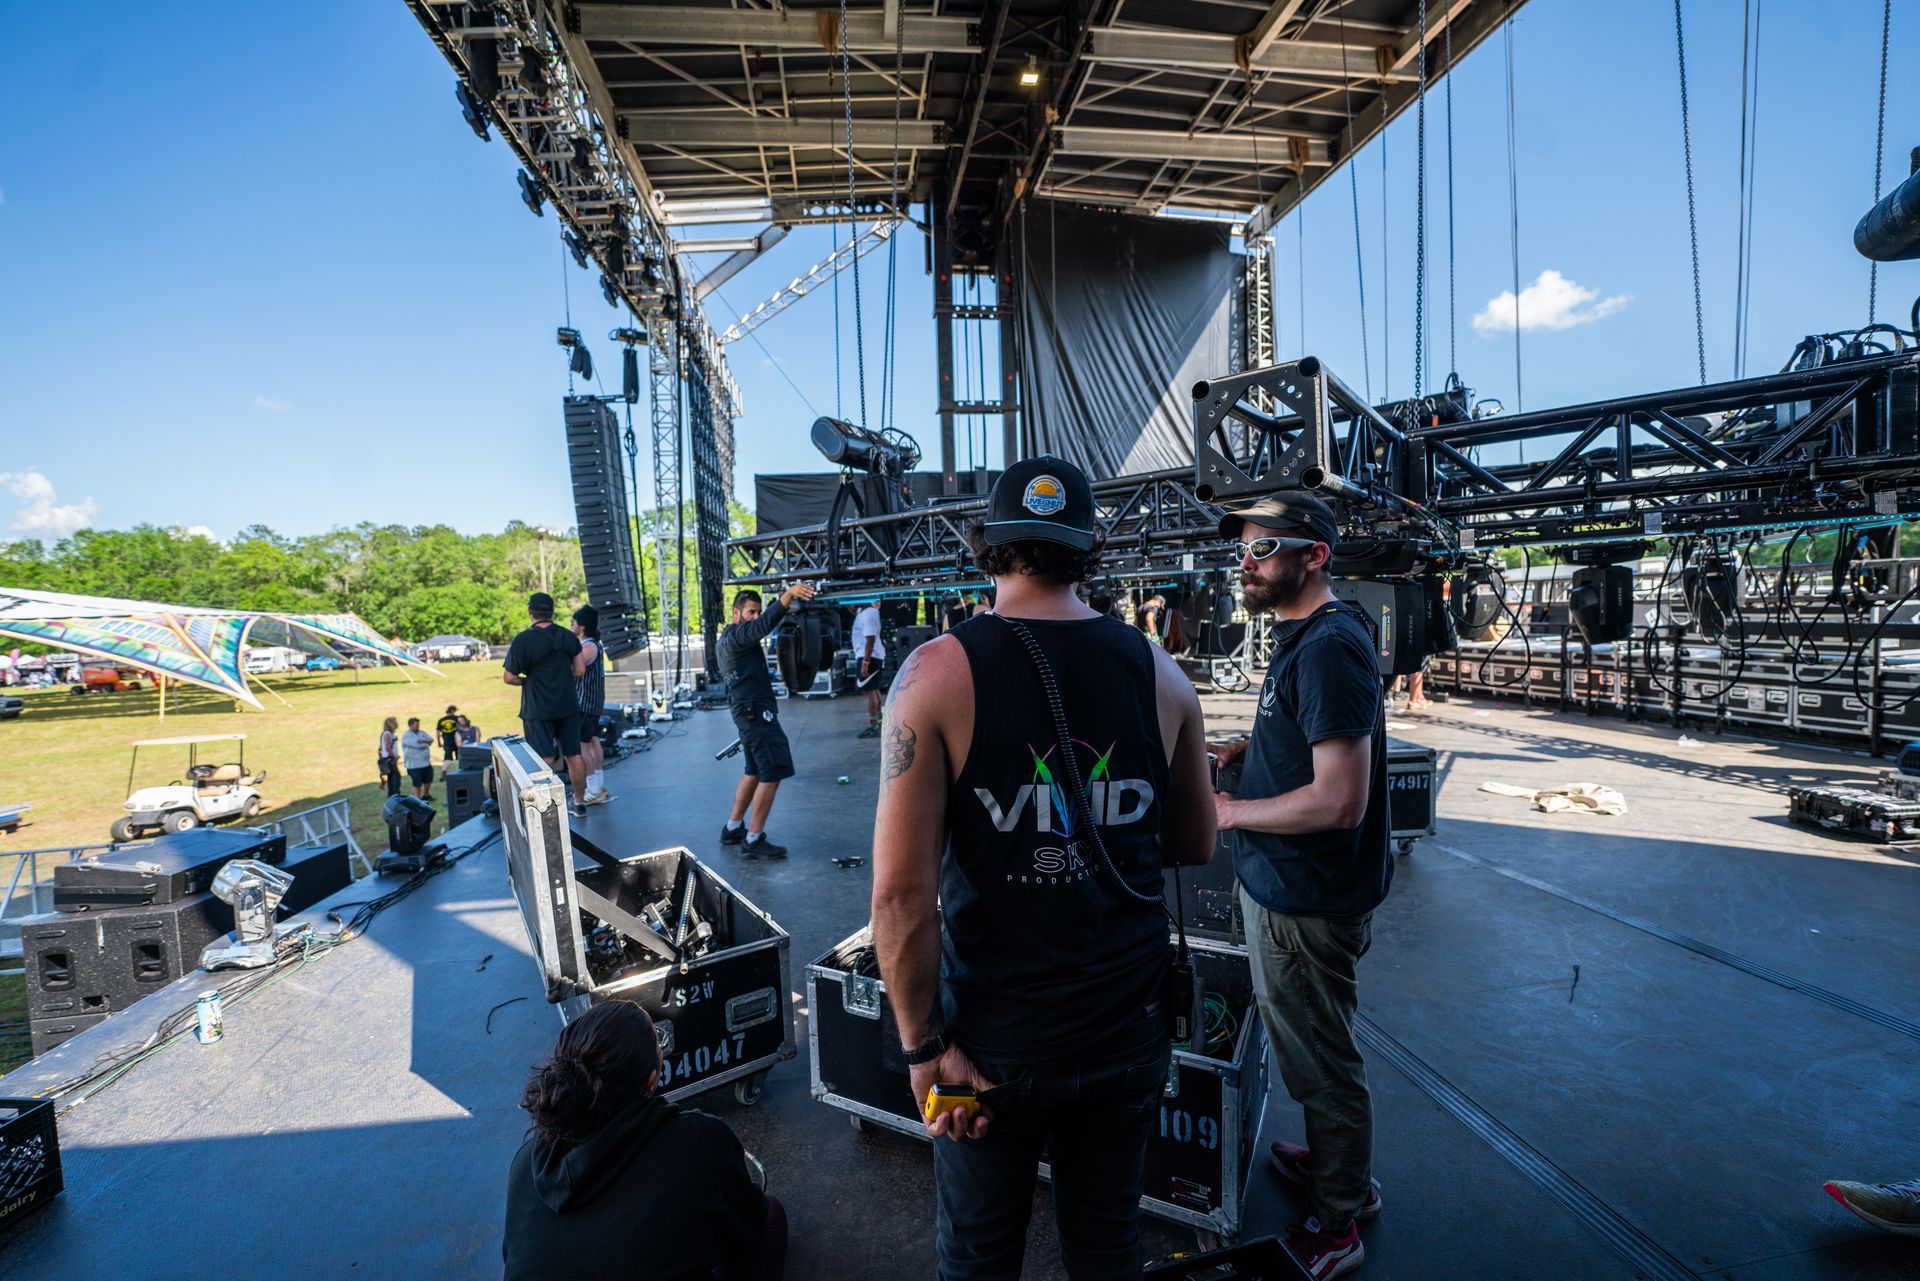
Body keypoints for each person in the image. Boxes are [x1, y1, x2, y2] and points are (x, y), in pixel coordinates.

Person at [869, 456, 1216, 1281]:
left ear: (985, 542)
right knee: (1107, 1243)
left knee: (981, 1255)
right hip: (1128, 1028)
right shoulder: (1163, 674)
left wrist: (924, 1052)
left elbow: (900, 896)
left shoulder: (934, 673)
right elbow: (1197, 842)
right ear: (1092, 545)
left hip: (988, 1049)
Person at [1211, 491, 1391, 1280]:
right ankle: (1333, 1162)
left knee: (1320, 1058)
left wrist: (1230, 809)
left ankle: (1339, 1217)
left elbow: (1339, 798)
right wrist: (1255, 746)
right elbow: (1315, 738)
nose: (1243, 564)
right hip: (1290, 887)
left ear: (1313, 555)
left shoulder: (1326, 646)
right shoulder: (1303, 638)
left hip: (1305, 899)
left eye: (1260, 550)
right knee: (1312, 1045)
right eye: (1242, 551)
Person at [503, 1001, 786, 1281]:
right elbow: (748, 1222)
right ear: (651, 1081)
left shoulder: (527, 1160)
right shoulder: (700, 1142)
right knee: (771, 1212)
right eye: (658, 1042)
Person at [715, 581, 816, 858]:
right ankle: (753, 839)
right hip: (755, 715)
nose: (755, 617)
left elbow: (760, 626)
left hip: (747, 712)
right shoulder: (738, 636)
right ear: (736, 614)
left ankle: (733, 827)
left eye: (758, 611)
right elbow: (762, 627)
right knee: (772, 772)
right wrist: (787, 596)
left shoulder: (730, 638)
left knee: (754, 770)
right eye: (750, 612)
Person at [503, 592, 590, 818]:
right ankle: (579, 803)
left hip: (537, 708)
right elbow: (580, 670)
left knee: (544, 758)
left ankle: (547, 810)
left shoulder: (522, 640)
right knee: (574, 754)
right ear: (552, 611)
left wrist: (529, 681)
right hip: (568, 706)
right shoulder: (567, 636)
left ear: (530, 612)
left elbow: (509, 677)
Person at [572, 606, 609, 805]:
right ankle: (599, 786)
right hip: (594, 702)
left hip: (584, 703)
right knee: (593, 742)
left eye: (574, 622)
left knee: (583, 746)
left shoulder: (587, 647)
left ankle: (592, 790)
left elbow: (574, 669)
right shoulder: (596, 644)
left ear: (582, 626)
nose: (572, 626)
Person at [851, 600, 887, 739]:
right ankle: (879, 722)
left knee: (870, 692)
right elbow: (853, 609)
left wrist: (866, 662)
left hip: (869, 656)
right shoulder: (864, 612)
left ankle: (874, 726)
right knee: (874, 690)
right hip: (871, 656)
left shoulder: (870, 613)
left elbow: (870, 638)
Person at [401, 717, 436, 801]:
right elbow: (417, 745)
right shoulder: (407, 735)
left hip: (426, 763)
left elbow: (431, 739)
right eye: (416, 725)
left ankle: (426, 795)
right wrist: (426, 742)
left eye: (418, 724)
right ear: (410, 725)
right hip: (414, 765)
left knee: (428, 779)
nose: (418, 726)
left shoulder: (422, 733)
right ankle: (417, 799)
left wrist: (423, 741)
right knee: (417, 782)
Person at [377, 716, 402, 798]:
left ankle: (393, 795)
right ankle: (394, 796)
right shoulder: (387, 734)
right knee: (395, 779)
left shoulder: (389, 733)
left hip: (389, 760)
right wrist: (395, 755)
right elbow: (388, 747)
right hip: (389, 760)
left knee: (393, 779)